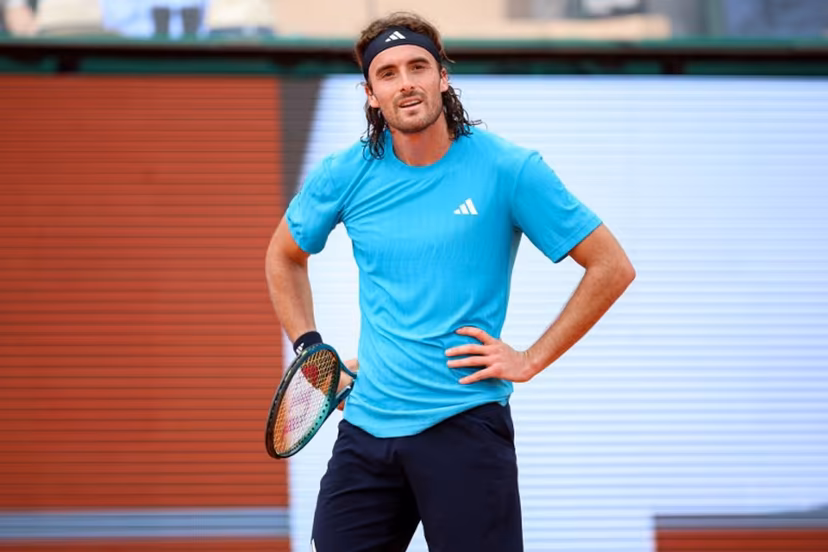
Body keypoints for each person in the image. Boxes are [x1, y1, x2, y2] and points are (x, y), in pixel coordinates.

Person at [265, 11, 635, 552]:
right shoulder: (346, 173)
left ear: (443, 77)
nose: (406, 82)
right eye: (387, 74)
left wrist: (530, 359)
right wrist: (312, 352)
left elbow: (611, 265)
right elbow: (283, 256)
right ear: (370, 94)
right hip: (367, 430)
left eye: (418, 66)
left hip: (465, 429)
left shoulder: (508, 168)